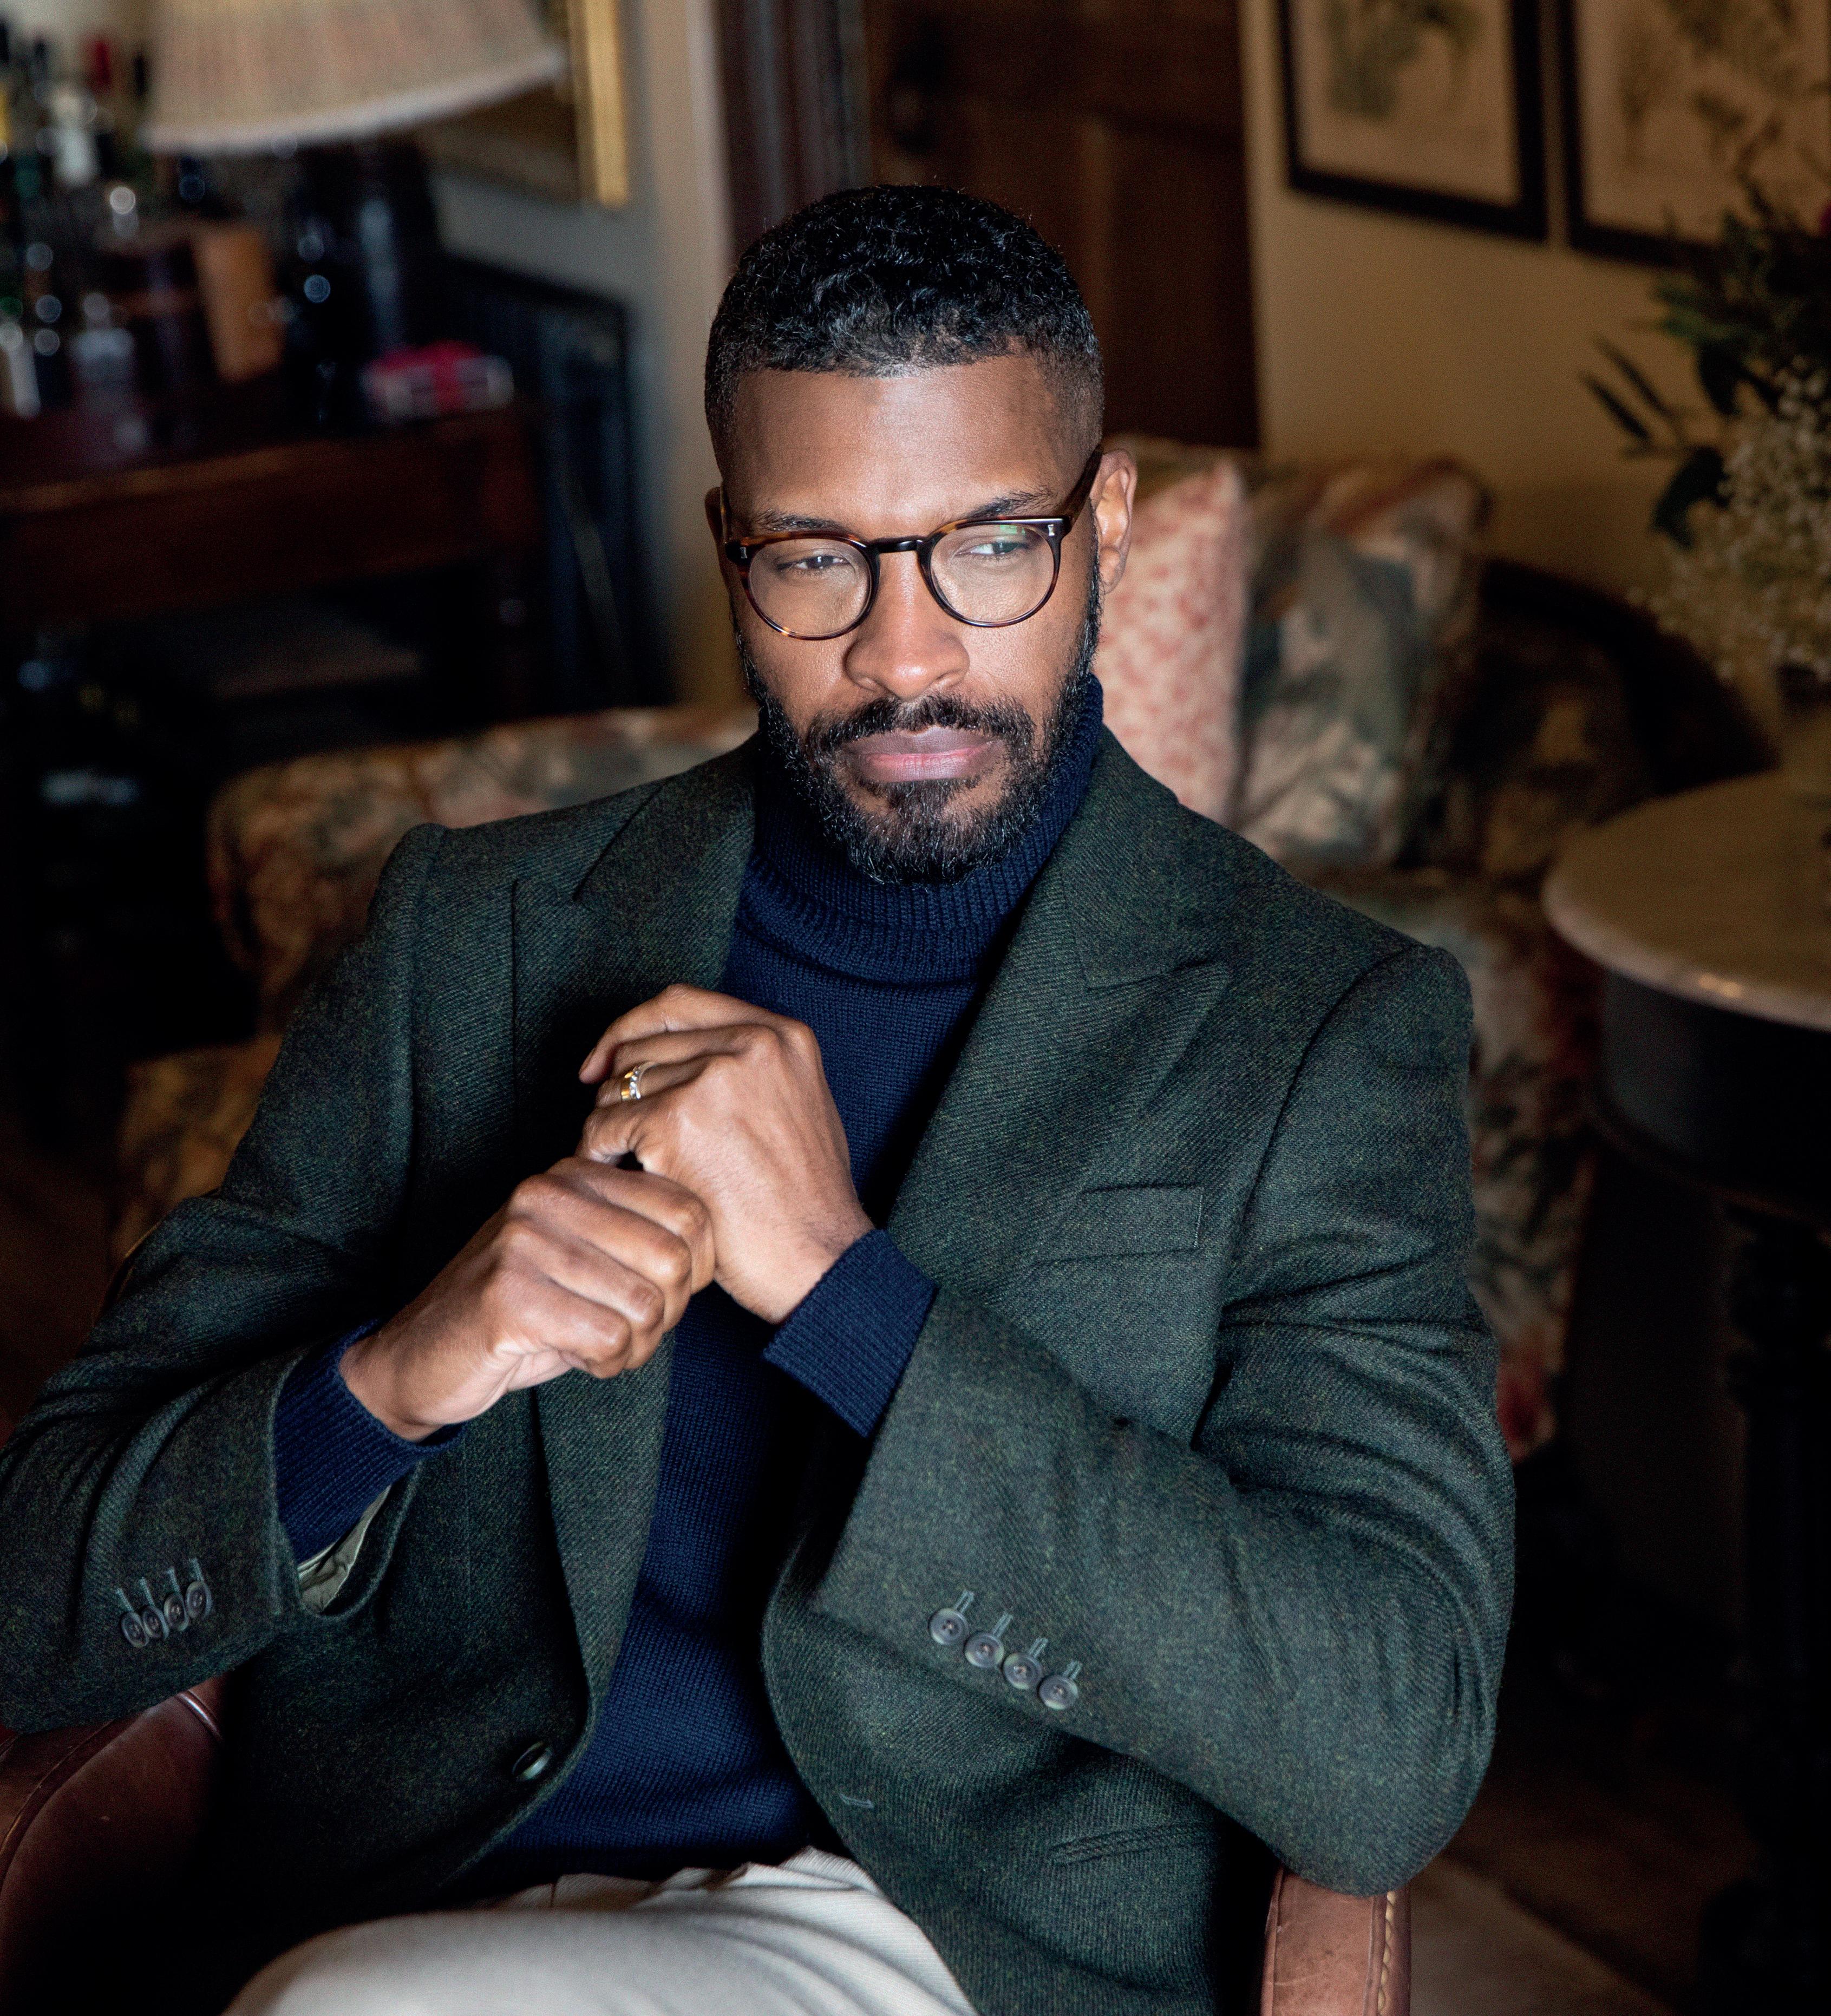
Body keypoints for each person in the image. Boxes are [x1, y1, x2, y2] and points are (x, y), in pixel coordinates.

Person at [0, 186, 1512, 2016]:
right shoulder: (467, 938)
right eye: (819, 560)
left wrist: (850, 1296)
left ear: (1104, 522)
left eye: (990, 545)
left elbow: (1389, 1744)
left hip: (938, 1941)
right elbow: (37, 1588)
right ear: (733, 554)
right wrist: (389, 1379)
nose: (905, 655)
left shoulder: (1317, 1026)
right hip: (426, 1897)